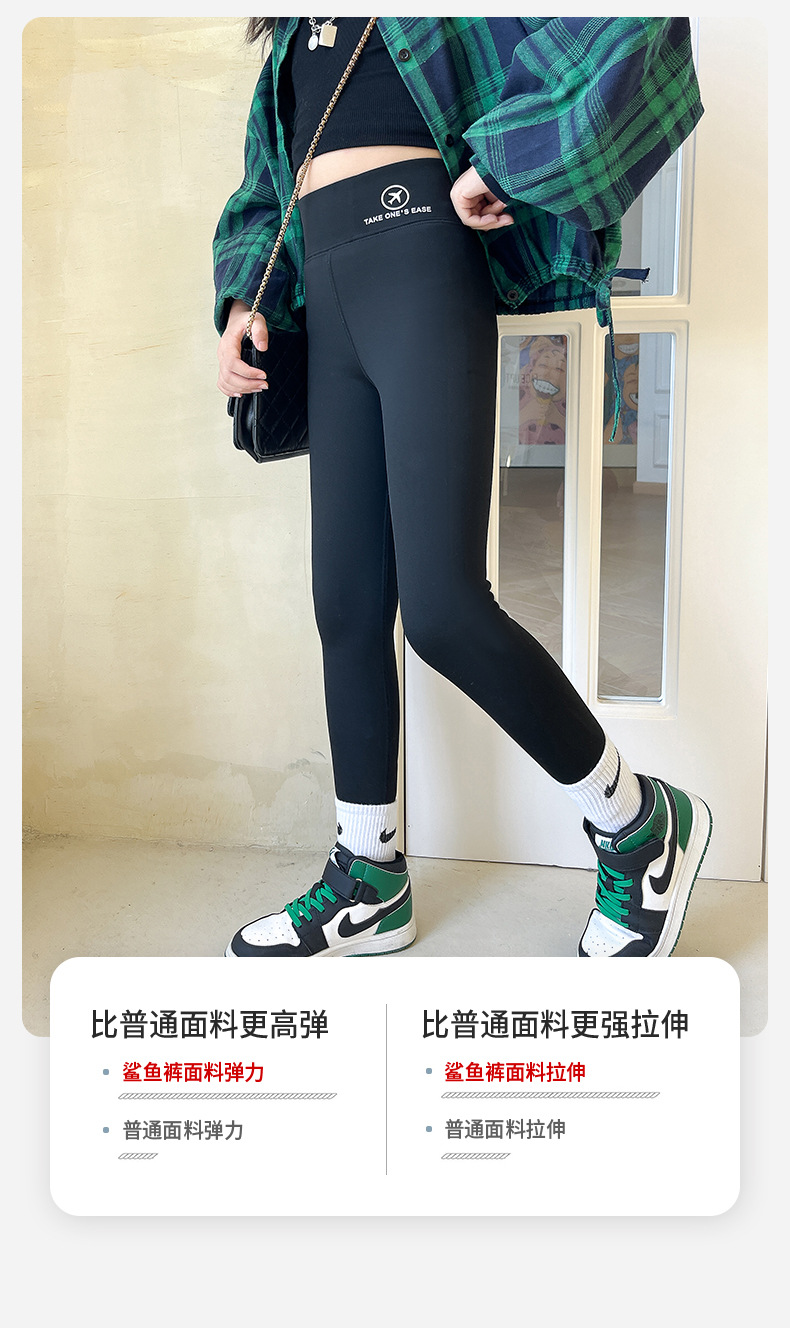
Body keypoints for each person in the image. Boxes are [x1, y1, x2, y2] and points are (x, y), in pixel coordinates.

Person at [213, 16, 710, 960]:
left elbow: (636, 26)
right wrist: (246, 296)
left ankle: (638, 822)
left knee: (442, 608)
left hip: (419, 261)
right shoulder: (289, 40)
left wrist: (506, 162)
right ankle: (369, 875)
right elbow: (266, 185)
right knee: (346, 605)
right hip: (325, 287)